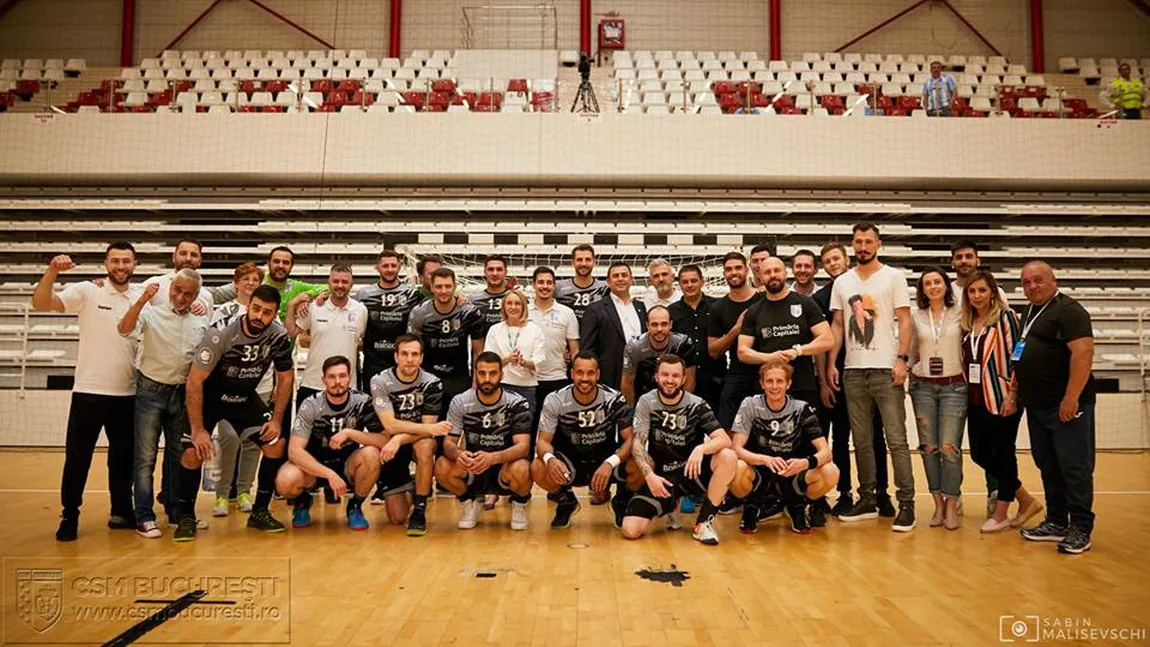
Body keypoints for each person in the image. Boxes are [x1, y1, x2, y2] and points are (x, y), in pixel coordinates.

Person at [32, 243, 142, 542]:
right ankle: (70, 515)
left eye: (126, 261)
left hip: (127, 393)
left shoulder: (144, 295)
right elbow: (42, 304)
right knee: (77, 459)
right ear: (106, 264)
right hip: (88, 393)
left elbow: (178, 300)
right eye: (115, 261)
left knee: (122, 460)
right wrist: (52, 272)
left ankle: (120, 511)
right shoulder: (87, 291)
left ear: (135, 264)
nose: (121, 266)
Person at [175, 284, 295, 541]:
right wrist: (198, 430)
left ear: (274, 315)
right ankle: (185, 516)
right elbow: (194, 381)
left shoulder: (278, 335)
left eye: (267, 313)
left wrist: (276, 420)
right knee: (191, 453)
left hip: (243, 398)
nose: (259, 317)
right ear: (248, 305)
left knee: (276, 444)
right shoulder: (221, 333)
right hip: (210, 399)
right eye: (256, 309)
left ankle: (259, 512)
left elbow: (286, 378)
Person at [827, 223, 917, 532]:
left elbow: (904, 321)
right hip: (853, 370)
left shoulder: (893, 277)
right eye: (858, 241)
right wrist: (831, 364)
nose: (863, 246)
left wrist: (902, 359)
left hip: (886, 368)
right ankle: (867, 499)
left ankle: (907, 504)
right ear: (852, 245)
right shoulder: (843, 281)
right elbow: (838, 326)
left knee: (896, 440)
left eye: (868, 241)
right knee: (861, 441)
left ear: (878, 243)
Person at [736, 256, 834, 525]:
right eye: (767, 272)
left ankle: (810, 503)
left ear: (785, 272)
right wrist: (769, 358)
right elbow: (742, 351)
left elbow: (827, 339)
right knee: (769, 446)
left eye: (777, 270)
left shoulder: (804, 303)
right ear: (760, 276)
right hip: (770, 392)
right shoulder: (756, 310)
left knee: (807, 447)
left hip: (803, 387)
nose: (772, 275)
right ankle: (769, 500)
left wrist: (798, 350)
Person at [116, 269, 210, 539]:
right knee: (145, 457)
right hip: (150, 391)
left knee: (176, 457)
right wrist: (142, 300)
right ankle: (144, 516)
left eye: (187, 293)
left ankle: (175, 511)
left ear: (195, 296)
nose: (180, 296)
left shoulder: (201, 321)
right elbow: (123, 329)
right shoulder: (151, 313)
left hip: (182, 395)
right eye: (177, 290)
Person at [1014, 261, 1097, 555]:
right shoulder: (1031, 312)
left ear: (1053, 280)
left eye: (1037, 280)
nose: (1032, 286)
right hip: (1037, 406)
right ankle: (1057, 521)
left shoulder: (1069, 310)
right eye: (1025, 282)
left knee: (1074, 467)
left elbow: (1084, 352)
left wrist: (1071, 397)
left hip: (1066, 406)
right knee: (1048, 464)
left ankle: (1081, 528)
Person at [621, 355, 737, 545]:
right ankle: (671, 505)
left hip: (693, 472)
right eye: (665, 374)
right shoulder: (647, 402)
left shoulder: (696, 404)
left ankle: (703, 524)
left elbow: (724, 439)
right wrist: (649, 475)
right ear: (656, 377)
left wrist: (701, 448)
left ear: (683, 379)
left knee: (728, 457)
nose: (670, 380)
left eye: (675, 376)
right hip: (663, 477)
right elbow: (638, 443)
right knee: (630, 530)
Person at [814, 242, 892, 517]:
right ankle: (844, 493)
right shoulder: (821, 298)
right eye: (827, 261)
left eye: (836, 258)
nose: (833, 264)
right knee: (839, 439)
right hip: (839, 377)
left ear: (846, 259)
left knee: (874, 437)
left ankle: (880, 494)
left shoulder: (869, 289)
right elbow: (822, 344)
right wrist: (824, 380)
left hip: (870, 371)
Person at [961, 270, 1042, 533]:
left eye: (982, 290)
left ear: (992, 292)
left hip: (1002, 396)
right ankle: (1026, 500)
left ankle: (1001, 512)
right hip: (975, 396)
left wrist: (1012, 394)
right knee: (979, 453)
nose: (977, 296)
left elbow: (1017, 356)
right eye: (972, 291)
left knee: (1004, 453)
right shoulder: (968, 320)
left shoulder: (1005, 317)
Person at [730, 363, 840, 535]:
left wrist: (804, 463)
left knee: (831, 471)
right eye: (770, 381)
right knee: (735, 467)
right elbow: (736, 448)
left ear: (788, 384)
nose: (774, 386)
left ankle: (799, 504)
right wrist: (764, 459)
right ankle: (752, 504)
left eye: (780, 381)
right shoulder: (750, 404)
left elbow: (826, 453)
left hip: (792, 473)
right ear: (762, 383)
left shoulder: (801, 408)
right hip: (761, 473)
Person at [277, 356, 384, 531]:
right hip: (314, 469)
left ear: (350, 378)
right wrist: (329, 474)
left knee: (372, 454)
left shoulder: (363, 402)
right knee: (285, 480)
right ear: (323, 379)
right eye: (332, 377)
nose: (337, 382)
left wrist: (351, 433)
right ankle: (303, 501)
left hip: (347, 466)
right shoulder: (310, 404)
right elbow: (294, 451)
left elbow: (383, 440)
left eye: (342, 376)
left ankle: (355, 506)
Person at [532, 352, 634, 529]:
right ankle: (566, 501)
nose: (585, 378)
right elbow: (542, 441)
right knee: (537, 466)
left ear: (598, 374)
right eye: (579, 373)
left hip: (605, 462)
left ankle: (621, 502)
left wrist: (611, 463)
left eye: (590, 373)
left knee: (641, 461)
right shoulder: (555, 399)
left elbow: (630, 440)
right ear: (572, 374)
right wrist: (551, 459)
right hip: (571, 463)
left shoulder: (614, 398)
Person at [434, 352, 534, 530]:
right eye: (482, 373)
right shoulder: (460, 401)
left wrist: (493, 458)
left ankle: (519, 504)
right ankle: (468, 503)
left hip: (505, 467)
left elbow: (523, 447)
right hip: (474, 466)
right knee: (442, 465)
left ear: (501, 375)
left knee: (523, 468)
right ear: (475, 374)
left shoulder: (516, 403)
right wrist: (459, 454)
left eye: (493, 373)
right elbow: (448, 443)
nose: (487, 378)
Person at [370, 334, 449, 535]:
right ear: (396, 356)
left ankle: (420, 509)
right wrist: (397, 435)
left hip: (411, 441)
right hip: (391, 443)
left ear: (421, 358)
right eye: (404, 354)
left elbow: (427, 427)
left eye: (415, 354)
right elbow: (390, 425)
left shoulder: (432, 382)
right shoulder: (379, 381)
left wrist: (398, 438)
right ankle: (414, 484)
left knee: (425, 447)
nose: (409, 359)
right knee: (396, 519)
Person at [907, 267, 966, 530]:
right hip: (923, 388)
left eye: (937, 281)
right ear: (922, 289)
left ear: (946, 285)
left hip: (955, 387)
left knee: (949, 448)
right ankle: (938, 503)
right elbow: (909, 351)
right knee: (928, 448)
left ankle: (952, 503)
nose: (933, 286)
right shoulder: (915, 315)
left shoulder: (960, 313)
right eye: (927, 283)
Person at [950, 239, 1005, 516]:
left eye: (968, 256)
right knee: (954, 441)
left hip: (989, 384)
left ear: (977, 260)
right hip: (958, 378)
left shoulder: (998, 297)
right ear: (952, 262)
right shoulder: (947, 292)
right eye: (959, 257)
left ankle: (997, 492)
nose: (964, 261)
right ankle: (954, 493)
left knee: (990, 445)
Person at [210, 263, 267, 517]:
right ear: (236, 282)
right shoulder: (224, 311)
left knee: (253, 441)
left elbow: (274, 351)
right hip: (226, 387)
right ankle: (222, 494)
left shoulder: (268, 313)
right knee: (229, 438)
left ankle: (245, 490)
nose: (250, 283)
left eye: (255, 279)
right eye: (246, 278)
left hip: (260, 386)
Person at [286, 264, 368, 404]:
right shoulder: (314, 307)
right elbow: (292, 331)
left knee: (346, 427)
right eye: (336, 281)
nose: (340, 285)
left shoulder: (360, 310)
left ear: (351, 285)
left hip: (346, 386)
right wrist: (292, 305)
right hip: (313, 383)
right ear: (328, 283)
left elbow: (362, 341)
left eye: (344, 282)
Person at [408, 267, 486, 413]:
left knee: (458, 427)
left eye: (448, 286)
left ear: (455, 286)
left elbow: (478, 351)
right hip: (428, 376)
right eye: (439, 286)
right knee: (430, 427)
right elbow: (412, 351)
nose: (443, 290)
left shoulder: (469, 312)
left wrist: (476, 385)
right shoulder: (419, 313)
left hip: (459, 376)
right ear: (431, 287)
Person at [355, 249, 425, 391]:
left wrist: (456, 296)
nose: (390, 270)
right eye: (385, 266)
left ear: (399, 267)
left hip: (403, 362)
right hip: (373, 362)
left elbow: (434, 302)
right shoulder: (364, 295)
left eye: (393, 266)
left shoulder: (412, 294)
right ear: (377, 268)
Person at [708, 252, 764, 429]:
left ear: (746, 270)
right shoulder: (718, 308)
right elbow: (713, 350)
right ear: (723, 274)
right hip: (738, 373)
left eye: (738, 267)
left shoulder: (764, 299)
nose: (734, 273)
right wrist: (736, 329)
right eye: (728, 269)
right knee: (725, 428)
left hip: (767, 371)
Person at [527, 266, 581, 433]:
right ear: (533, 284)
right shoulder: (523, 311)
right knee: (528, 429)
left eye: (549, 282)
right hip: (528, 380)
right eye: (541, 282)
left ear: (554, 285)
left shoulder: (567, 313)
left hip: (557, 379)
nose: (545, 286)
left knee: (557, 431)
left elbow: (574, 350)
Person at [580, 262, 647, 390]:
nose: (620, 278)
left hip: (639, 376)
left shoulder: (641, 307)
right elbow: (587, 349)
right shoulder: (595, 309)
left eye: (624, 275)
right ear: (609, 282)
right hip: (609, 377)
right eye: (616, 276)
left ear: (631, 279)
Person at [213, 246, 327, 320]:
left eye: (285, 262)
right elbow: (217, 294)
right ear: (269, 263)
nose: (281, 266)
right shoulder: (254, 284)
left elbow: (329, 287)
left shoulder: (297, 286)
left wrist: (308, 296)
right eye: (276, 261)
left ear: (291, 267)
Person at [669, 264, 724, 412]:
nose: (689, 285)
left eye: (693, 281)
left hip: (716, 380)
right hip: (684, 383)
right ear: (679, 284)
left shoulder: (718, 306)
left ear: (702, 282)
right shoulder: (671, 312)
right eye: (685, 282)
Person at [484, 289, 546, 415]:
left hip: (526, 387)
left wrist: (523, 362)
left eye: (517, 304)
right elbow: (488, 362)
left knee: (524, 428)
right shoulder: (494, 330)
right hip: (500, 385)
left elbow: (540, 362)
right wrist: (507, 359)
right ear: (504, 306)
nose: (513, 307)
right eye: (509, 303)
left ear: (524, 307)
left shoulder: (535, 330)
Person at [622, 305, 695, 404]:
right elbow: (627, 383)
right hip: (644, 396)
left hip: (676, 396)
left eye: (664, 324)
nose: (659, 329)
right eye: (654, 324)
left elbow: (689, 381)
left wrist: (682, 407)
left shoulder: (683, 344)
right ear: (647, 326)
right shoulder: (635, 347)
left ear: (671, 324)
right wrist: (631, 412)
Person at [556, 244, 609, 322]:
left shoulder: (605, 288)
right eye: (579, 260)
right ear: (573, 262)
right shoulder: (558, 287)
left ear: (594, 262)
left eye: (588, 259)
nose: (584, 264)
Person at [469, 255, 512, 338]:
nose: (495, 273)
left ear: (506, 272)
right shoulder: (473, 301)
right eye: (491, 269)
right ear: (484, 272)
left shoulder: (515, 299)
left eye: (499, 269)